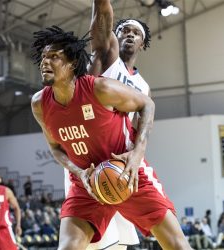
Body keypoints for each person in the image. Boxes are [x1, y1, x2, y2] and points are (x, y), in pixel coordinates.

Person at [31, 26, 191, 250]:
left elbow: (147, 104)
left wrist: (137, 154)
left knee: (177, 246)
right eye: (44, 57)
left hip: (126, 172)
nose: (45, 62)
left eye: (54, 57)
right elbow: (56, 148)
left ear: (73, 64)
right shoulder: (39, 104)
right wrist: (78, 172)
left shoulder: (100, 88)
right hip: (86, 182)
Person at [64, 1, 153, 248]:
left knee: (121, 242)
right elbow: (101, 27)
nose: (129, 35)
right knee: (94, 240)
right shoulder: (106, 57)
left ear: (142, 44)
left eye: (135, 33)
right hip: (88, 155)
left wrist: (136, 156)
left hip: (116, 161)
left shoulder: (143, 87)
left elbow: (137, 129)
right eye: (124, 30)